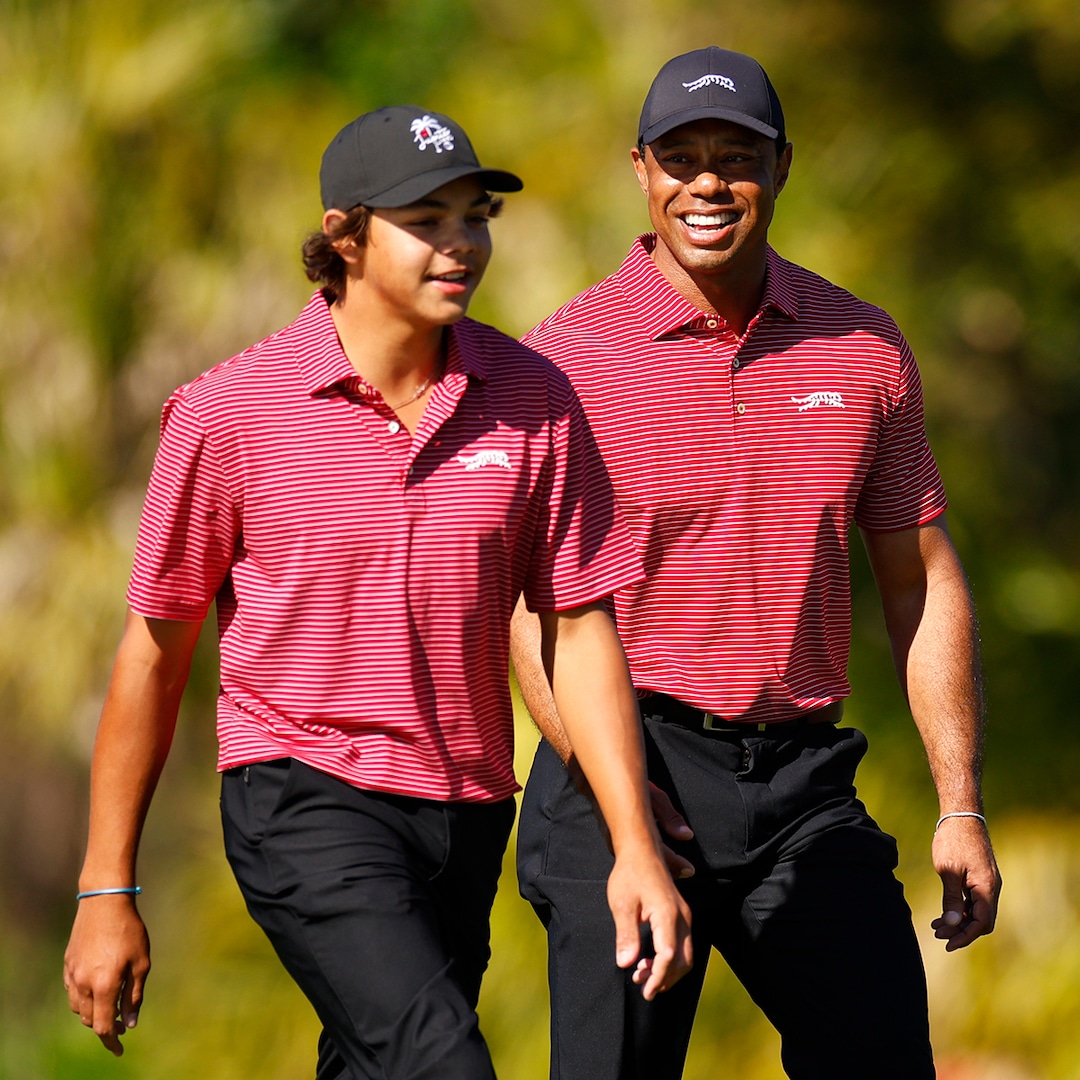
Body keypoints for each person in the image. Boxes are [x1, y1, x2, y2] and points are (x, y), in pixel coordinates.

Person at [62, 105, 691, 1079]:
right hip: (304, 797)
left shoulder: (534, 397)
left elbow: (579, 628)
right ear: (344, 237)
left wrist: (634, 844)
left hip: (467, 810)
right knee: (444, 1064)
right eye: (426, 221)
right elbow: (155, 654)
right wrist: (107, 887)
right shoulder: (231, 411)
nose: (461, 243)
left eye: (474, 217)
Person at [511, 47, 1002, 1080]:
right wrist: (618, 798)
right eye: (681, 158)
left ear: (782, 167)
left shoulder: (863, 346)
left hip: (801, 784)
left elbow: (920, 577)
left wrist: (959, 802)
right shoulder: (564, 360)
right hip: (626, 761)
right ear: (640, 171)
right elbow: (529, 613)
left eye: (736, 157)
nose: (708, 184)